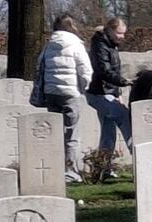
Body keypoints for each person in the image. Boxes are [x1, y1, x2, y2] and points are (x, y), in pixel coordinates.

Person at [33, 13, 93, 182]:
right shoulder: (75, 44)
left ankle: (55, 168)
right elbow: (85, 69)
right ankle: (71, 171)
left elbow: (40, 65)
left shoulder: (49, 45)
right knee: (72, 134)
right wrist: (84, 88)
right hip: (70, 93)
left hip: (52, 93)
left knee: (56, 132)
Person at [87, 16, 132, 169]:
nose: (122, 37)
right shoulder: (100, 45)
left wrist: (118, 92)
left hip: (109, 92)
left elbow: (114, 70)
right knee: (124, 116)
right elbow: (103, 71)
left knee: (108, 132)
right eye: (120, 33)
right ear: (111, 30)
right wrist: (123, 82)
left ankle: (102, 168)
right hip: (98, 93)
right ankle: (139, 156)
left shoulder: (111, 44)